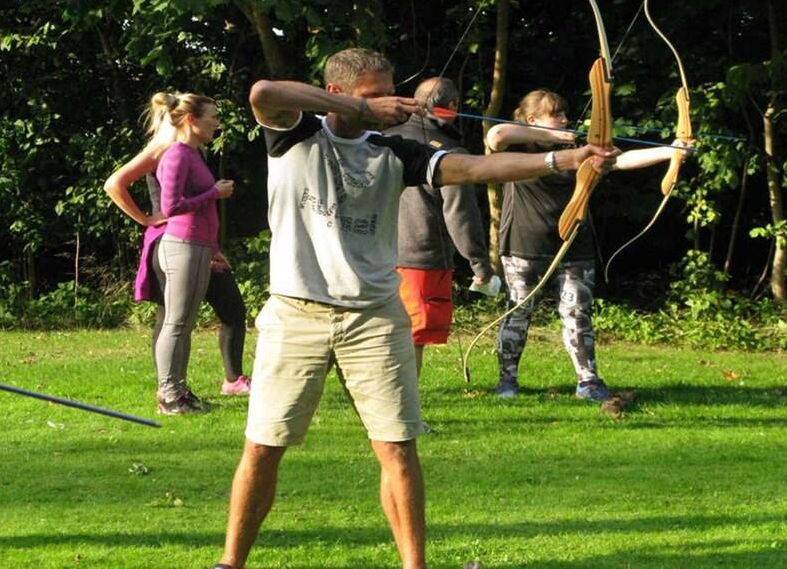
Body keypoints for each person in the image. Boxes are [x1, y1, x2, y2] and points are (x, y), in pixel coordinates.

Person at [213, 48, 619, 569]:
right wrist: (365, 112)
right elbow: (262, 93)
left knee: (397, 447)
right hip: (297, 313)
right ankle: (230, 563)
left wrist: (564, 158)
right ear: (336, 94)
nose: (388, 103)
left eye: (389, 91)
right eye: (372, 95)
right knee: (264, 445)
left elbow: (474, 166)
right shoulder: (295, 131)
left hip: (375, 317)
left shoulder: (395, 150)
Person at [487, 89, 691, 401]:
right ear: (532, 120)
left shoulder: (583, 150)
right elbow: (496, 134)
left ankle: (588, 381)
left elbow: (619, 161)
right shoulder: (518, 146)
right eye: (556, 114)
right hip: (523, 244)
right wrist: (558, 139)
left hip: (574, 244)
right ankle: (507, 382)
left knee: (577, 313)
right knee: (518, 311)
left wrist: (670, 151)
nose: (565, 119)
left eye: (564, 114)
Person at [104, 92, 248, 415]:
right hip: (179, 244)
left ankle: (180, 391)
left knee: (184, 321)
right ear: (191, 120)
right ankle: (169, 395)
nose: (217, 123)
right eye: (212, 116)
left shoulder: (192, 154)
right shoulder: (175, 154)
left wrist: (212, 248)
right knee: (176, 320)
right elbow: (171, 207)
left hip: (198, 246)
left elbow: (203, 211)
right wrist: (213, 192)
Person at [384, 76, 499, 373]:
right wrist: (480, 266)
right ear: (453, 106)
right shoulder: (449, 153)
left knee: (378, 333)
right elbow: (460, 213)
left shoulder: (385, 137)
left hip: (372, 254)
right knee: (411, 337)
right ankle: (404, 414)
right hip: (418, 260)